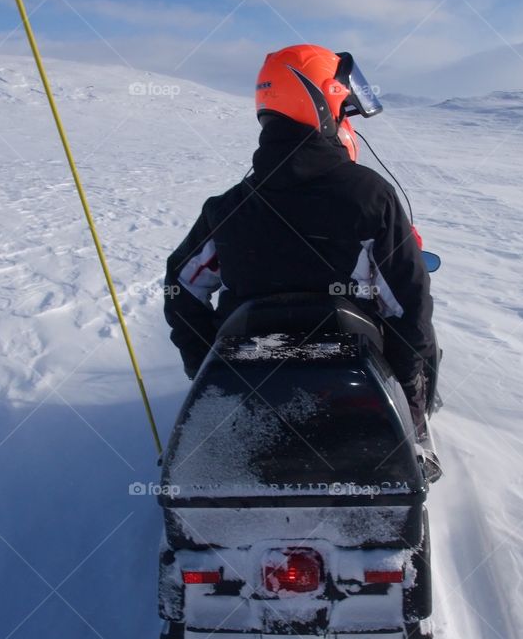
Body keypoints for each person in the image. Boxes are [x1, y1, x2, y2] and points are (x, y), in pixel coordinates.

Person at [163, 44, 437, 436]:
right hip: (357, 390)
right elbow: (408, 306)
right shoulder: (370, 197)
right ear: (324, 104)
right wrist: (411, 410)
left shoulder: (227, 208)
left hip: (251, 386)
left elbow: (181, 286)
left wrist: (209, 368)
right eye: (345, 111)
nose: (348, 123)